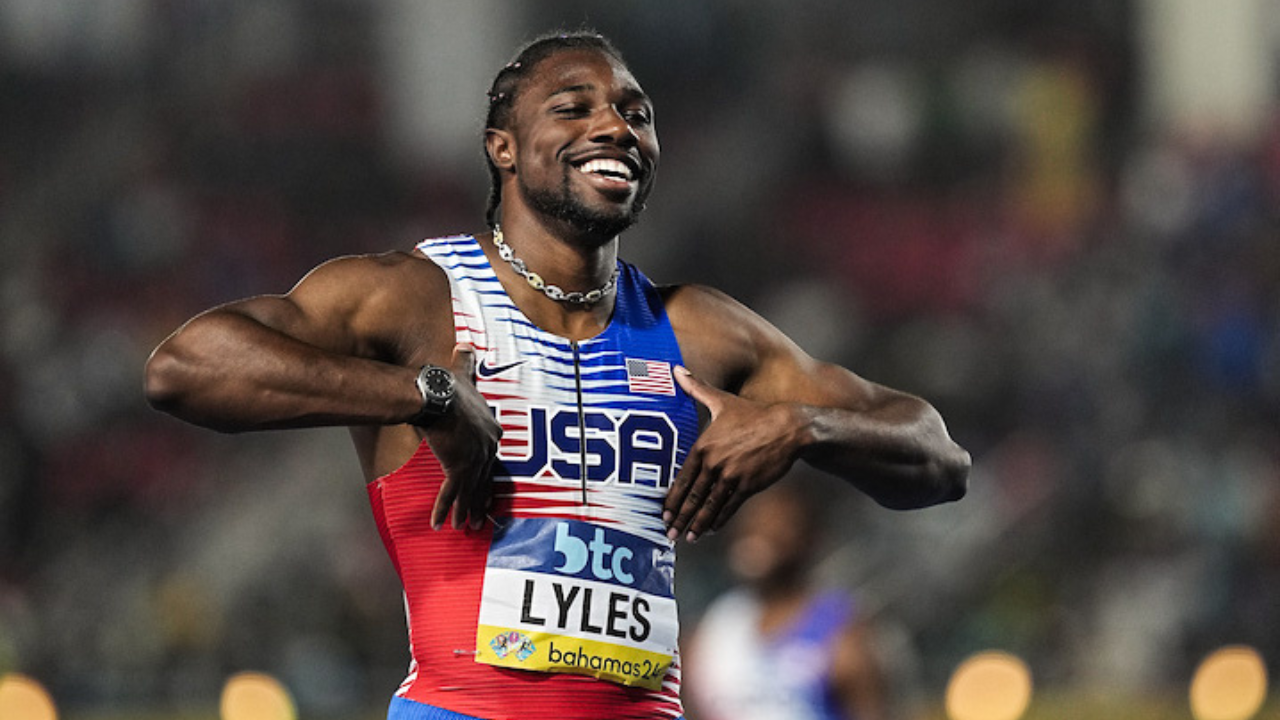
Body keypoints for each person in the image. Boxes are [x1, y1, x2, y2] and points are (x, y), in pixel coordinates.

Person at [143, 30, 969, 720]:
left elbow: (938, 459)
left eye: (634, 114)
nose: (614, 126)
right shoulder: (417, 298)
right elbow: (185, 366)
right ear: (502, 148)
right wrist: (429, 397)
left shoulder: (697, 328)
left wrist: (803, 424)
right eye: (573, 108)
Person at [685, 479, 889, 720]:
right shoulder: (710, 633)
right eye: (752, 523)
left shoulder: (839, 632)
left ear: (809, 539)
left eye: (778, 524)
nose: (759, 533)